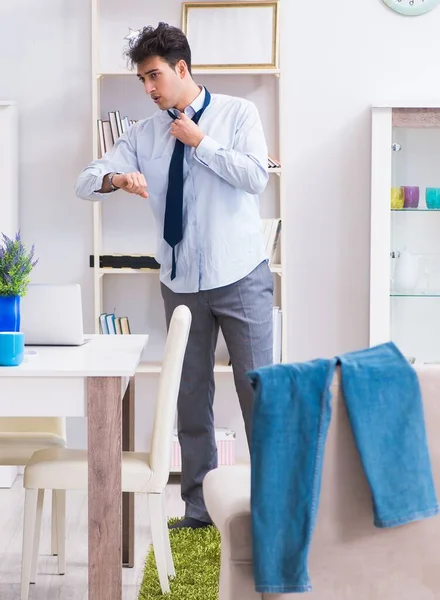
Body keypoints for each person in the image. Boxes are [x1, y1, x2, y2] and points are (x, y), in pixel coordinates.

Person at [75, 22, 273, 529]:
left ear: (181, 68)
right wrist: (119, 178)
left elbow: (255, 176)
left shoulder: (237, 113)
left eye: (154, 75)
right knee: (190, 396)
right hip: (180, 282)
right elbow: (86, 181)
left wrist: (200, 141)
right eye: (142, 79)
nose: (147, 88)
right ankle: (199, 510)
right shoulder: (143, 134)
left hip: (240, 275)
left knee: (258, 392)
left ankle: (274, 507)